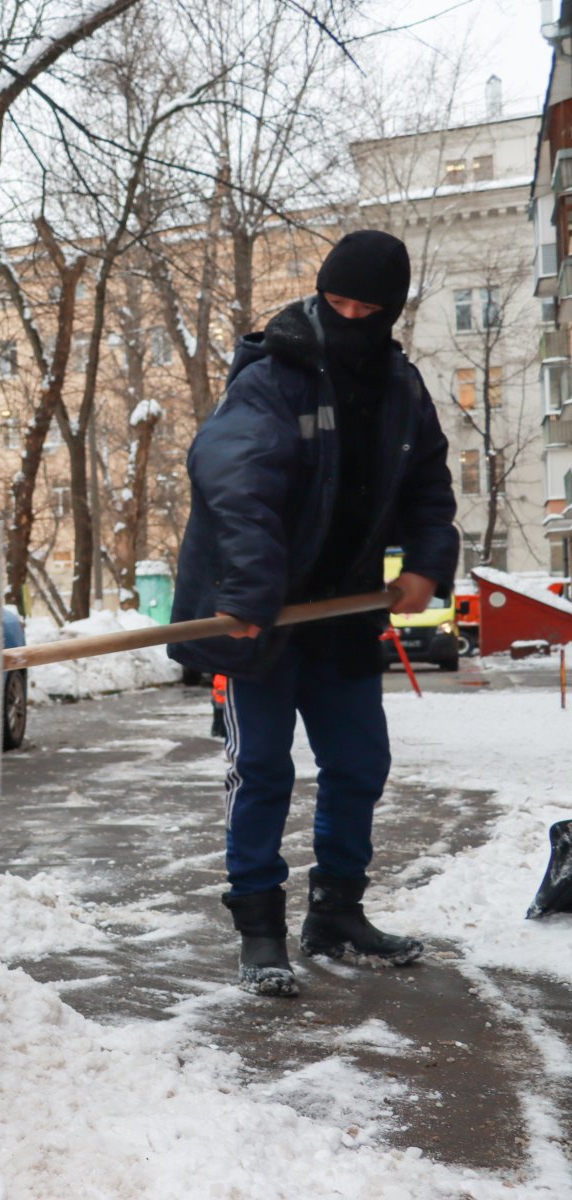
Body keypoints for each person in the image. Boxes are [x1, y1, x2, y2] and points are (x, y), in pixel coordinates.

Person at [168, 230, 457, 997]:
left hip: (345, 609)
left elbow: (429, 483)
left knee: (359, 764)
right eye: (339, 300)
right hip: (258, 613)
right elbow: (238, 482)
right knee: (262, 768)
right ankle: (259, 930)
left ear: (391, 312)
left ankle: (337, 914)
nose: (352, 314)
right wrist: (254, 594)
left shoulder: (401, 388)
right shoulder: (275, 373)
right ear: (320, 294)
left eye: (370, 306)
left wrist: (428, 562)